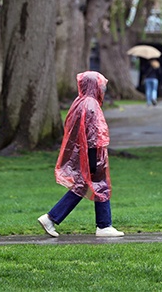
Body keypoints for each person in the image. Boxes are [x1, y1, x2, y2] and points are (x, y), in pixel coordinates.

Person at [38, 71, 124, 238]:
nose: (103, 90)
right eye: (101, 86)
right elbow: (93, 135)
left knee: (83, 186)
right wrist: (92, 160)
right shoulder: (91, 105)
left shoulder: (80, 102)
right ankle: (103, 225)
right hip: (92, 154)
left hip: (83, 153)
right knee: (99, 186)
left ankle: (52, 218)